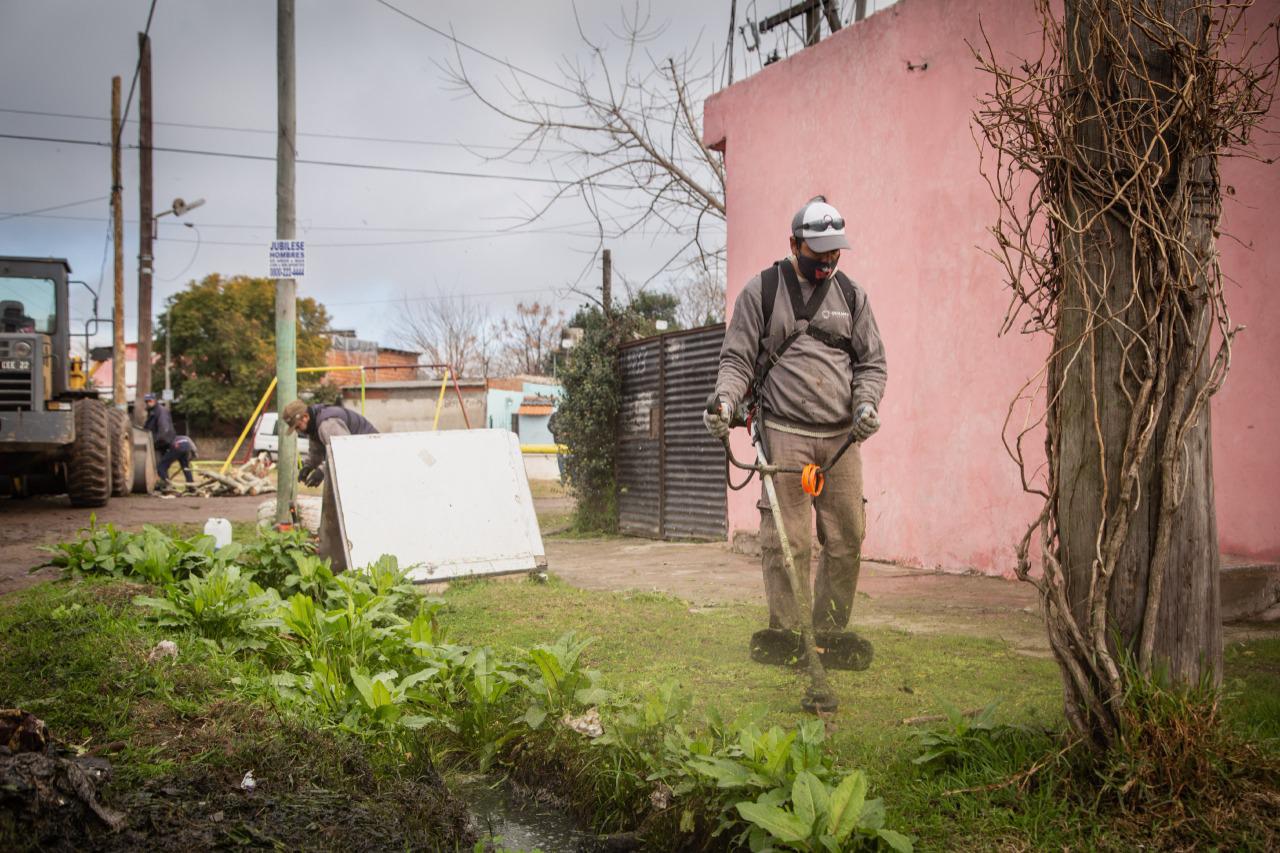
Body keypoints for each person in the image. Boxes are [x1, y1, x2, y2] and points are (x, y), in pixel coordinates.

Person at [704, 195, 887, 663]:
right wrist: (724, 402)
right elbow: (737, 359)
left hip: (842, 439)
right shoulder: (762, 292)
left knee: (847, 537)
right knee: (789, 540)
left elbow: (871, 364)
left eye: (835, 253)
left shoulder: (853, 297)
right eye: (818, 252)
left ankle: (827, 633)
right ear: (794, 243)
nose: (827, 261)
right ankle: (787, 633)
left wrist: (866, 404)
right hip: (784, 432)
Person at [281, 399, 379, 572]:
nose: (297, 431)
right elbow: (317, 451)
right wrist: (308, 466)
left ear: (305, 417)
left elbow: (343, 451)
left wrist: (321, 471)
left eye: (297, 427)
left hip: (372, 453)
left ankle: (362, 552)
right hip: (360, 455)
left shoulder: (328, 424)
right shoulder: (315, 425)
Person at [143, 392, 177, 471]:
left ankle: (163, 482)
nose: (148, 403)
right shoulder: (152, 411)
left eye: (150, 401)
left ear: (155, 400)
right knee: (159, 466)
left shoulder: (161, 411)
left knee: (160, 466)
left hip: (162, 443)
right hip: (157, 442)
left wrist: (157, 442)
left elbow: (164, 428)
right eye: (146, 401)